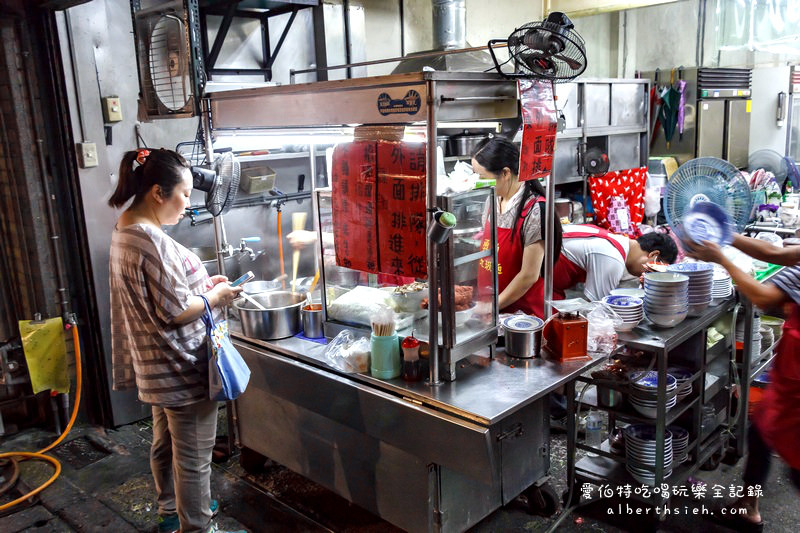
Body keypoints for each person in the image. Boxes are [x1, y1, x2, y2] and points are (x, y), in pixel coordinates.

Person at [108, 148, 244, 533]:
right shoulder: (150, 240)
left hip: (156, 367)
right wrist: (215, 297)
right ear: (157, 192)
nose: (188, 204)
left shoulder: (125, 227)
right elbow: (175, 312)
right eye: (184, 194)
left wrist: (202, 284)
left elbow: (162, 294)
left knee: (166, 445)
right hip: (180, 368)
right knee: (194, 458)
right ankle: (196, 525)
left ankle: (172, 511)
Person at [686, 234, 800, 533]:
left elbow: (763, 297)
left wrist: (721, 258)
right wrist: (726, 235)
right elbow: (775, 251)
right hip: (792, 370)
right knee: (761, 431)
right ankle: (749, 507)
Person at [471, 136, 562, 318]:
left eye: (482, 176)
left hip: (523, 316)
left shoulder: (535, 210)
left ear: (505, 173)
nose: (477, 182)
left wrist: (493, 306)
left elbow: (529, 275)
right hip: (491, 312)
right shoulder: (491, 201)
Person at [554, 225, 679, 301]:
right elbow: (599, 310)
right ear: (653, 255)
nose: (648, 274)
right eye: (652, 270)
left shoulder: (616, 241)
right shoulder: (613, 258)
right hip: (541, 283)